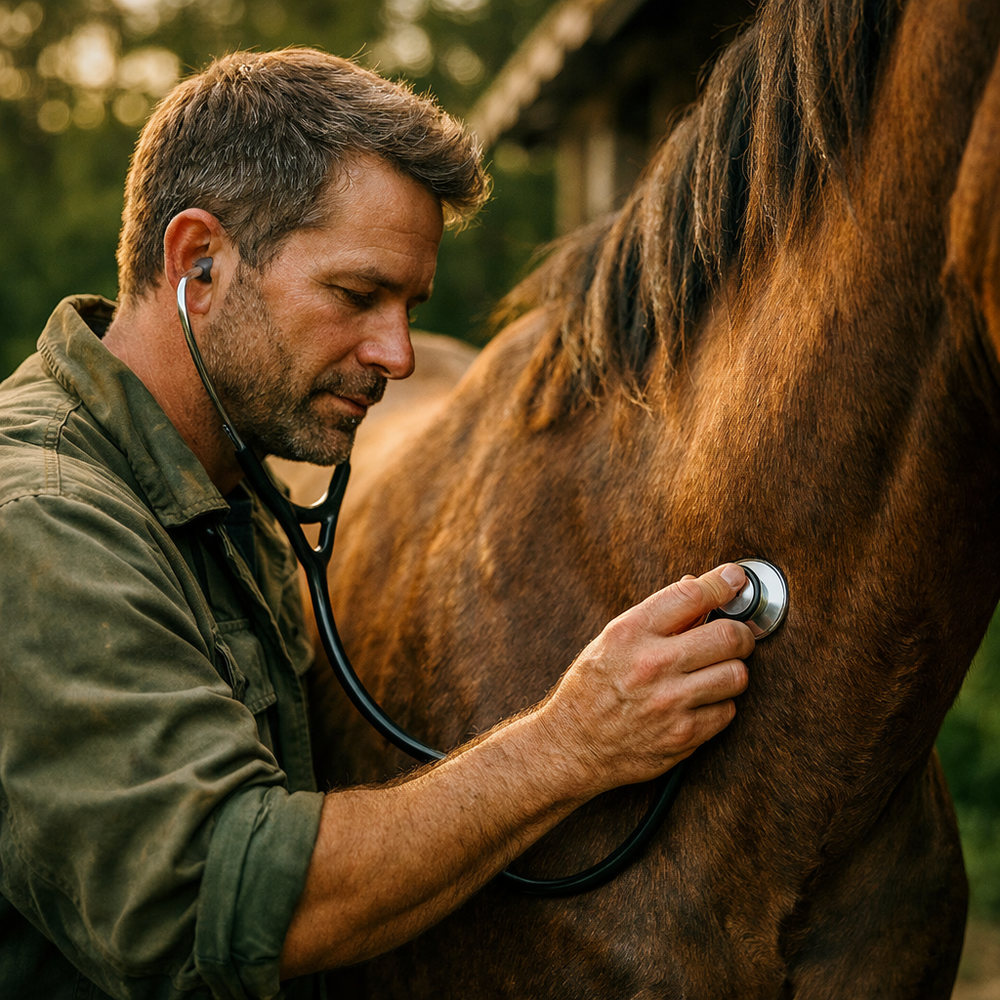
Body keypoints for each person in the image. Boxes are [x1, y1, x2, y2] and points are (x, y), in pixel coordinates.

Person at [0, 49, 754, 1000]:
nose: (399, 355)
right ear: (199, 262)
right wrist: (573, 741)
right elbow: (225, 897)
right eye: (357, 297)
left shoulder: (226, 488)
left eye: (410, 307)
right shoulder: (41, 521)